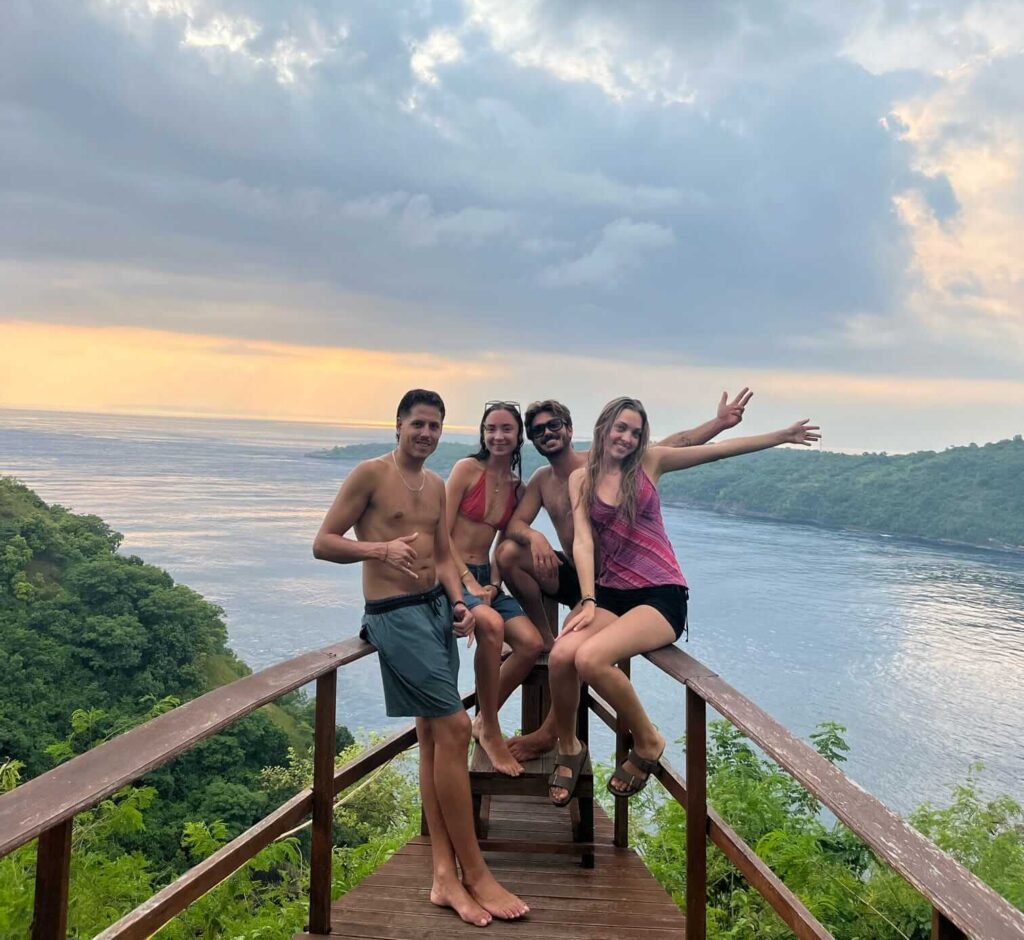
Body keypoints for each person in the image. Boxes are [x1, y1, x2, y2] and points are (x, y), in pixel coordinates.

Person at [313, 389, 528, 926]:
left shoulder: (435, 485)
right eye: (418, 425)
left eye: (434, 426)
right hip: (394, 613)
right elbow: (323, 542)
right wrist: (379, 549)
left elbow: (444, 553)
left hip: (435, 609)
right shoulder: (369, 474)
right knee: (455, 728)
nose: (426, 434)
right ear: (398, 426)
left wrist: (460, 604)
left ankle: (442, 876)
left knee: (435, 736)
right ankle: (474, 872)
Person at [546, 396, 819, 806]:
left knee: (590, 659)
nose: (627, 437)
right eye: (621, 428)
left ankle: (649, 740)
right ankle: (569, 746)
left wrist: (781, 435)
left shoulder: (650, 464)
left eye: (635, 432)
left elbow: (716, 451)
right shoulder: (581, 480)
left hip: (661, 595)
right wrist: (586, 599)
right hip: (610, 594)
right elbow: (583, 541)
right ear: (604, 428)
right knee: (561, 654)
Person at [499, 390, 754, 763]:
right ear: (532, 439)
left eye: (554, 425)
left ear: (571, 429)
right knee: (510, 554)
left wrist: (718, 423)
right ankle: (545, 639)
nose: (547, 433)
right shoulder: (541, 480)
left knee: (583, 657)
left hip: (615, 582)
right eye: (538, 430)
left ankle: (552, 731)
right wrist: (535, 536)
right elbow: (515, 525)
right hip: (581, 577)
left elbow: (672, 447)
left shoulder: (603, 464)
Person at [445, 401, 545, 777]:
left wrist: (494, 583)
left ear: (518, 435)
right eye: (491, 429)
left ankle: (484, 721)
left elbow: (504, 542)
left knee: (531, 644)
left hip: (485, 576)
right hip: (452, 571)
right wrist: (469, 583)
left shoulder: (517, 487)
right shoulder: (466, 470)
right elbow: (441, 532)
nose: (498, 436)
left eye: (506, 429)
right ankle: (492, 730)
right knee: (492, 626)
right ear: (482, 433)